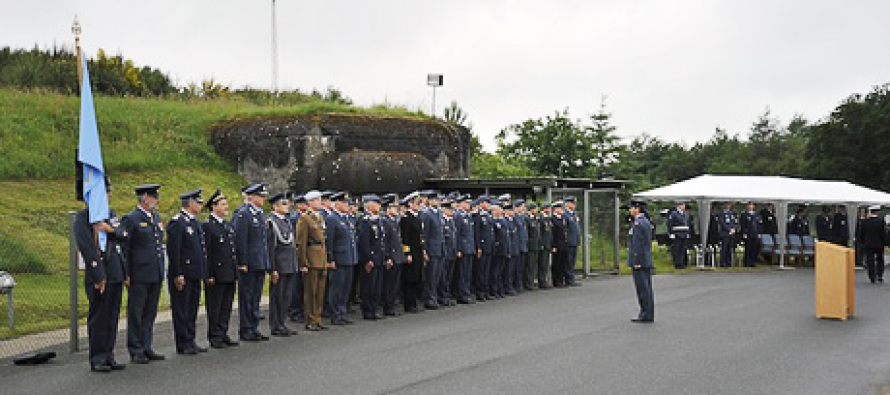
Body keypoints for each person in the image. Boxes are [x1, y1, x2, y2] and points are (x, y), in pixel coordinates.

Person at [74, 177, 128, 372]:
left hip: (115, 272)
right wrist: (99, 275)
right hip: (100, 276)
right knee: (99, 317)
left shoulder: (109, 214)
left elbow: (123, 235)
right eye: (105, 191)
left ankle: (109, 355)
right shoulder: (84, 217)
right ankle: (97, 357)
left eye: (109, 191)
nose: (109, 194)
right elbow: (87, 248)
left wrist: (109, 229)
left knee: (113, 316)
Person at [121, 184, 166, 364]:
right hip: (139, 274)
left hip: (154, 273)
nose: (157, 200)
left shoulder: (155, 217)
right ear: (145, 197)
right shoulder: (132, 219)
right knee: (136, 312)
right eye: (154, 197)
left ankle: (146, 346)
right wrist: (126, 273)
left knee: (150, 312)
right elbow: (125, 248)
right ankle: (135, 349)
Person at [166, 189, 208, 355]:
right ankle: (182, 342)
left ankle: (191, 339)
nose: (200, 205)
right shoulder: (178, 222)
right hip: (183, 272)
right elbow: (174, 250)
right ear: (189, 204)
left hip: (195, 272)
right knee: (182, 309)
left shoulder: (195, 222)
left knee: (192, 308)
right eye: (198, 202)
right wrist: (178, 273)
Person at [202, 190, 239, 349]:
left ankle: (223, 332)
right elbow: (207, 252)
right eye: (223, 204)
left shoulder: (227, 224)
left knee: (226, 305)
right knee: (215, 306)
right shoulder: (208, 226)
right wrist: (209, 273)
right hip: (216, 274)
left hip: (229, 272)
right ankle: (215, 335)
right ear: (213, 207)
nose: (226, 207)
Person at [233, 183, 271, 342]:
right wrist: (242, 262)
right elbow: (240, 240)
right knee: (247, 297)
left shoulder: (260, 214)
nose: (263, 199)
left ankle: (254, 327)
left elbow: (263, 241)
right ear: (251, 197)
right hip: (248, 263)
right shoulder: (244, 214)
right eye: (260, 196)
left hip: (259, 261)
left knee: (255, 297)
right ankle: (246, 328)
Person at [297, 190, 330, 330]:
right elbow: (301, 242)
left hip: (321, 258)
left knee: (320, 292)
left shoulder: (319, 217)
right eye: (316, 200)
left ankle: (317, 318)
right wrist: (303, 262)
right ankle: (310, 320)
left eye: (320, 199)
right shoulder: (305, 218)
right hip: (311, 257)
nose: (319, 202)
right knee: (311, 292)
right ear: (309, 202)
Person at [267, 192, 298, 337]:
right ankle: (276, 325)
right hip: (279, 266)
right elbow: (271, 248)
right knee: (277, 297)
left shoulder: (286, 221)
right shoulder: (271, 222)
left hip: (289, 264)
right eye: (284, 204)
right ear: (275, 206)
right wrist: (273, 269)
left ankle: (282, 323)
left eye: (287, 204)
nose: (288, 207)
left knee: (286, 296)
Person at [324, 192, 358, 325]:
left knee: (345, 288)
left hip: (349, 257)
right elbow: (329, 241)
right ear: (336, 203)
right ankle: (335, 314)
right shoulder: (332, 219)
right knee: (336, 288)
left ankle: (342, 312)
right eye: (344, 203)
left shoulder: (346, 219)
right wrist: (330, 258)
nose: (347, 205)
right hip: (338, 258)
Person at [358, 194, 388, 320]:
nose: (379, 206)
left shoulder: (378, 220)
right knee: (368, 286)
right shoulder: (365, 221)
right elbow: (364, 242)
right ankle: (368, 310)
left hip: (379, 257)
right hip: (371, 258)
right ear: (369, 205)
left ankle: (375, 308)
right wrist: (367, 259)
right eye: (376, 204)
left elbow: (381, 241)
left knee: (377, 286)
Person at [626, 200, 655, 323]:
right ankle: (648, 312)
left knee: (642, 288)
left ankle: (645, 313)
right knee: (647, 287)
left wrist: (636, 260)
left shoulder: (638, 223)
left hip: (640, 260)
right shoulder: (645, 221)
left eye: (632, 208)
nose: (630, 210)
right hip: (646, 259)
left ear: (637, 209)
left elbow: (638, 244)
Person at [382, 196, 407, 315]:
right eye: (393, 207)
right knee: (389, 284)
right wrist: (388, 257)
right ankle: (388, 306)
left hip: (398, 255)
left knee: (394, 284)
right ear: (387, 208)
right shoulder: (385, 221)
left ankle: (391, 304)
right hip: (392, 255)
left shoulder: (394, 221)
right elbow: (386, 241)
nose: (396, 209)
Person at [399, 194, 425, 313]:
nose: (419, 205)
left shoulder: (417, 218)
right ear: (410, 204)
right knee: (410, 278)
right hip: (411, 251)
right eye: (417, 203)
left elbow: (420, 237)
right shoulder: (406, 219)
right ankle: (408, 304)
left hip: (418, 251)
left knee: (416, 277)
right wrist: (407, 253)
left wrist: (423, 250)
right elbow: (405, 238)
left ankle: (413, 302)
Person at [420, 191, 445, 310]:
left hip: (439, 248)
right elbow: (424, 234)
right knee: (430, 276)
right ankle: (429, 298)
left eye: (438, 200)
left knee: (437, 275)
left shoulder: (439, 214)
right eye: (435, 200)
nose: (437, 202)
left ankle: (434, 296)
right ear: (429, 201)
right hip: (431, 249)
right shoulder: (426, 214)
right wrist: (424, 250)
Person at [288, 194, 307, 324]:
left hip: (302, 253)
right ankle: (295, 311)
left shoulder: (304, 217)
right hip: (295, 253)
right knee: (296, 286)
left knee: (301, 285)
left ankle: (300, 309)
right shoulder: (295, 218)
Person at [453, 195, 476, 304]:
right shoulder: (458, 216)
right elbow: (457, 234)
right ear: (461, 203)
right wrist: (458, 249)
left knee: (467, 272)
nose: (468, 205)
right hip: (463, 247)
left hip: (469, 247)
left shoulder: (468, 216)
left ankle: (466, 292)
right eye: (466, 203)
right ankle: (461, 294)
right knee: (462, 273)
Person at [857, 205, 886, 283]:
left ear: (870, 212)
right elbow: (883, 233)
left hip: (868, 244)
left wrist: (862, 242)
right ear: (877, 212)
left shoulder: (865, 222)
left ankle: (872, 276)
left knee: (870, 260)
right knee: (880, 259)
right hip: (879, 244)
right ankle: (880, 274)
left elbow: (861, 234)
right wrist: (884, 242)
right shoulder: (881, 221)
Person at [473, 196, 494, 301]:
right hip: (482, 246)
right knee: (480, 271)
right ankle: (480, 291)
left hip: (489, 246)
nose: (489, 205)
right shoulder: (478, 216)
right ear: (481, 203)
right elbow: (477, 233)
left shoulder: (488, 215)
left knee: (486, 270)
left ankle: (485, 291)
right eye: (487, 202)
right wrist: (478, 247)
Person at [490, 203, 510, 299]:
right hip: (496, 249)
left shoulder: (503, 221)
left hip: (503, 248)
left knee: (500, 270)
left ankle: (499, 289)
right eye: (499, 209)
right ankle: (494, 290)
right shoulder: (492, 221)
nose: (501, 211)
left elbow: (506, 236)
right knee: (495, 271)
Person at [667, 201, 691, 269]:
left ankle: (682, 262)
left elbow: (688, 224)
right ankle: (677, 263)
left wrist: (688, 232)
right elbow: (670, 224)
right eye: (682, 205)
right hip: (677, 233)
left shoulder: (686, 213)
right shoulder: (674, 214)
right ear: (678, 206)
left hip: (684, 233)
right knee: (677, 249)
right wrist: (671, 233)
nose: (684, 206)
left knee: (683, 249)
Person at [564, 196, 582, 287]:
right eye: (572, 203)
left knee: (573, 261)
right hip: (569, 241)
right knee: (568, 261)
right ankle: (568, 279)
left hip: (575, 240)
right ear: (567, 204)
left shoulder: (574, 214)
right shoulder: (565, 215)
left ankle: (572, 277)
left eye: (574, 203)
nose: (574, 205)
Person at [551, 201, 570, 287]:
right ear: (555, 209)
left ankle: (562, 279)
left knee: (563, 262)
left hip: (564, 243)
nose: (561, 210)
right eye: (560, 208)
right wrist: (553, 245)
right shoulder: (553, 219)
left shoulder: (563, 218)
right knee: (557, 263)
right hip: (557, 244)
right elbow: (553, 234)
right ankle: (556, 280)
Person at [740, 202, 762, 267]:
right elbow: (743, 225)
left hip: (756, 233)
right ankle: (747, 262)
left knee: (755, 248)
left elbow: (760, 224)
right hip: (748, 233)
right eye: (749, 205)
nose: (751, 206)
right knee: (748, 248)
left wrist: (760, 233)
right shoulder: (744, 214)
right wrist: (744, 233)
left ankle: (752, 261)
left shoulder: (757, 214)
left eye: (752, 205)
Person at [513, 200, 529, 292]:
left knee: (521, 267)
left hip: (523, 245)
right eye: (522, 206)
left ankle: (520, 284)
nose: (524, 208)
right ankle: (517, 285)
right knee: (517, 267)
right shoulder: (515, 217)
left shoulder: (522, 217)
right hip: (518, 246)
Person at [537, 203, 553, 289]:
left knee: (546, 264)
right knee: (542, 264)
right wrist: (542, 244)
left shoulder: (548, 218)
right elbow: (540, 233)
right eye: (548, 208)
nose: (550, 210)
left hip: (548, 244)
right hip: (543, 245)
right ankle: (541, 281)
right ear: (544, 209)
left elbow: (549, 233)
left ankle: (544, 280)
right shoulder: (541, 218)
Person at [718, 202, 738, 267]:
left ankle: (728, 262)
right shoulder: (722, 213)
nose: (728, 206)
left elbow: (735, 222)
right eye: (727, 205)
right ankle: (723, 262)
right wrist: (729, 229)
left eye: (729, 205)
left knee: (730, 248)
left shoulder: (732, 213)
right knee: (724, 248)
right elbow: (722, 223)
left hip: (731, 234)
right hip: (725, 234)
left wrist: (734, 229)